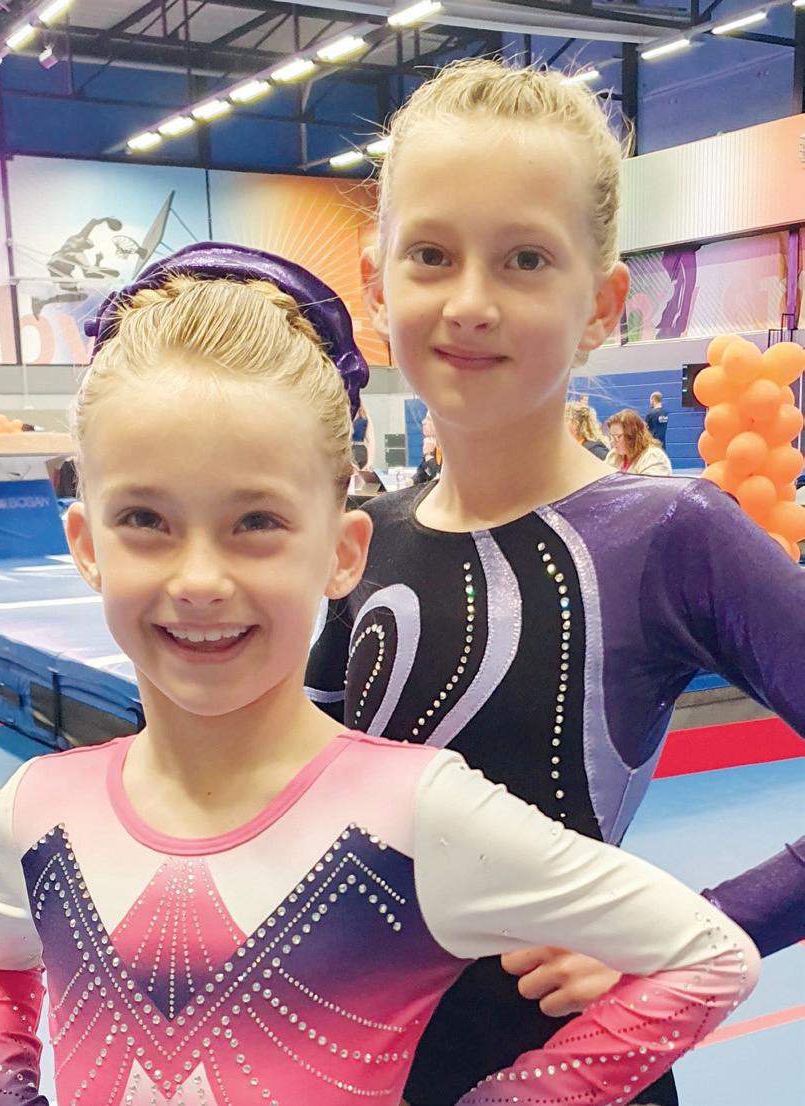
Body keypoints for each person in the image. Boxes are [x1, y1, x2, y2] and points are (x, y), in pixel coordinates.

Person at [0, 242, 759, 1106]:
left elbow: (706, 958)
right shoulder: (37, 812)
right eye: (145, 519)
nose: (199, 579)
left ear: (343, 551)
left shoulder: (411, 814)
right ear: (86, 545)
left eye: (256, 522)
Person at [305, 58, 805, 1106]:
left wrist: (694, 925)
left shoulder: (670, 532)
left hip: (572, 1070)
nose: (470, 302)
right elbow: (292, 800)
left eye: (525, 259)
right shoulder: (364, 539)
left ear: (602, 305)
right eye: (431, 254)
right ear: (376, 282)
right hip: (358, 1066)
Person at [606, 408, 672, 476]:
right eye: (611, 437)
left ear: (632, 436)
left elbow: (650, 482)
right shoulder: (613, 456)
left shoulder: (654, 457)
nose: (612, 442)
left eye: (618, 437)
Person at [351, 399, 375, 469]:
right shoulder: (365, 417)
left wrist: (369, 463)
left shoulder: (365, 418)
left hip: (359, 453)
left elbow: (371, 441)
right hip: (350, 452)